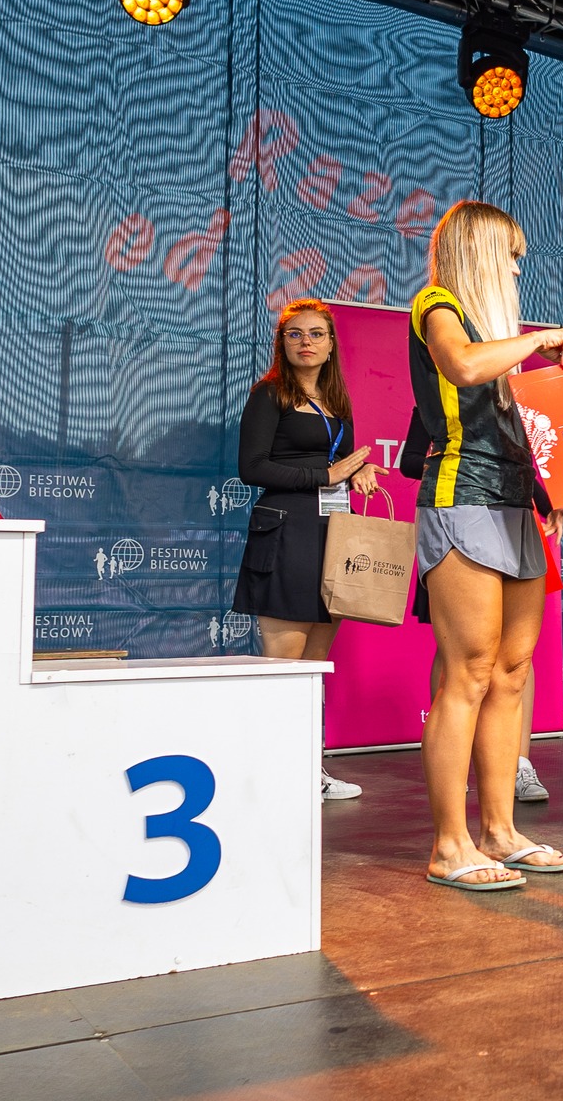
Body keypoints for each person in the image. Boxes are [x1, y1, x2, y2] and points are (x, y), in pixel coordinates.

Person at [412, 200, 563, 891]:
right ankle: (449, 846)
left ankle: (501, 833)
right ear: (479, 251)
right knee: (469, 673)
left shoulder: (501, 336)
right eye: (510, 256)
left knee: (512, 672)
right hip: (461, 497)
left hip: (515, 505)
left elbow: (518, 427)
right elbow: (460, 366)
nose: (517, 268)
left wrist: (549, 492)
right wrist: (540, 342)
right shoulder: (438, 305)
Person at [233, 299, 384, 801]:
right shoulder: (269, 394)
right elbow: (252, 468)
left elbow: (343, 462)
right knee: (284, 664)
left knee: (315, 664)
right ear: (282, 342)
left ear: (331, 344)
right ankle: (267, 776)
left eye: (317, 334)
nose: (306, 342)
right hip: (284, 531)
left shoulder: (337, 398)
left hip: (332, 532)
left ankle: (306, 772)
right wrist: (325, 474)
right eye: (295, 334)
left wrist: (358, 470)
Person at [401, 410, 553, 802]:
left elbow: (524, 464)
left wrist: (548, 501)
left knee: (516, 661)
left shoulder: (517, 399)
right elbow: (409, 461)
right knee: (462, 661)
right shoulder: (441, 398)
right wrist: (457, 464)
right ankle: (458, 766)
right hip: (459, 518)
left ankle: (518, 765)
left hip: (513, 520)